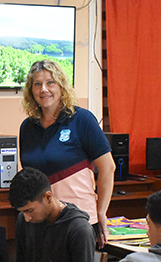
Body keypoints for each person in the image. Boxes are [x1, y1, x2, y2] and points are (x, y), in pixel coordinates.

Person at [19, 59, 115, 247]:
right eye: (37, 84)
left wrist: (101, 211)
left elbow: (108, 167)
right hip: (41, 220)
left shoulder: (82, 119)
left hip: (78, 220)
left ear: (61, 86)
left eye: (50, 82)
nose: (43, 89)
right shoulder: (27, 127)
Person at [8, 167, 95, 262]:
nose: (27, 218)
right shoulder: (24, 220)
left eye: (30, 210)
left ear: (48, 197)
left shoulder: (79, 230)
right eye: (22, 212)